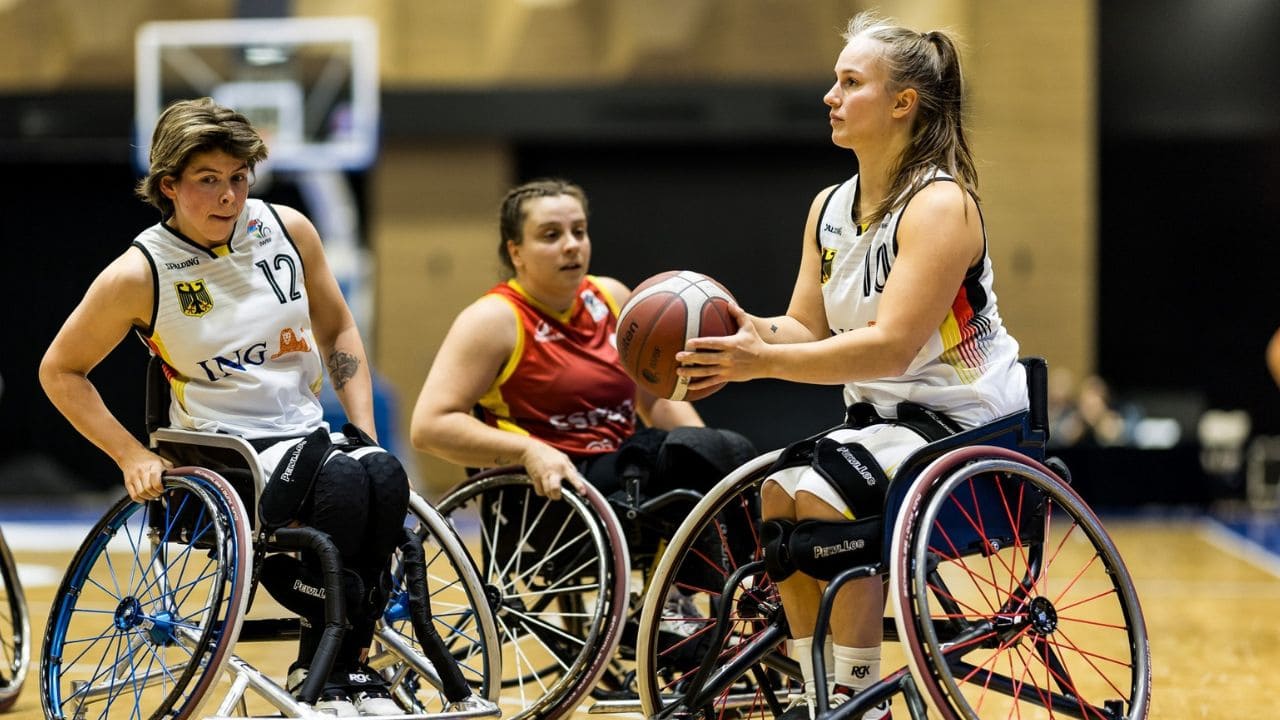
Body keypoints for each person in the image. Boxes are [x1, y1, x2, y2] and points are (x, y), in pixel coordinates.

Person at [675, 12, 1029, 720]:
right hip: (880, 426)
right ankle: (819, 694)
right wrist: (740, 328)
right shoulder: (829, 207)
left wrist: (761, 364)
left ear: (903, 103)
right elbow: (803, 325)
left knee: (827, 499)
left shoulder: (940, 205)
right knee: (778, 498)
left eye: (849, 82)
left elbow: (891, 348)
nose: (830, 97)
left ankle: (858, 694)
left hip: (965, 424)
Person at [39, 97, 411, 717]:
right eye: (209, 181)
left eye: (238, 178)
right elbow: (59, 371)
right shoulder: (138, 273)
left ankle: (347, 668)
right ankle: (321, 669)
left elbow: (338, 328)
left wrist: (366, 431)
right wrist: (130, 454)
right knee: (346, 482)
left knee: (382, 471)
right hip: (226, 455)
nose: (228, 197)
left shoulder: (289, 229)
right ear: (169, 186)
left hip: (306, 436)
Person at [409, 177, 756, 634]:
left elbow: (653, 400)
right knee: (680, 460)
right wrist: (528, 451)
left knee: (731, 456)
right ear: (516, 251)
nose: (571, 246)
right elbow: (430, 426)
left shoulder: (611, 297)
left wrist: (712, 455)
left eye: (579, 231)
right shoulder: (493, 320)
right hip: (552, 488)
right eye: (551, 235)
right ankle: (675, 607)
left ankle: (749, 597)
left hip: (622, 477)